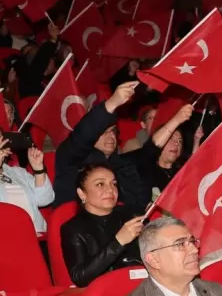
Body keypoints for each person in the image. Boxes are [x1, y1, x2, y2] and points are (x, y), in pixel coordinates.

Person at [52, 81, 149, 211]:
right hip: (79, 226)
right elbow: (83, 135)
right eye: (103, 132)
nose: (110, 136)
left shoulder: (123, 165)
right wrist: (112, 103)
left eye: (113, 131)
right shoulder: (73, 159)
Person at [61, 165, 145, 286]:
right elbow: (80, 277)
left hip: (142, 283)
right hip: (108, 290)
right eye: (100, 184)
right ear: (82, 194)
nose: (111, 189)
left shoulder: (132, 214)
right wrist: (118, 242)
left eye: (114, 184)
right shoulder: (73, 229)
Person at [0, 133, 54, 232]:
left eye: (0, 138)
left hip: (37, 235)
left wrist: (39, 169)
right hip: (3, 238)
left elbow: (45, 199)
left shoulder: (17, 172)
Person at [138, 104, 202, 197]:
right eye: (171, 139)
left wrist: (197, 140)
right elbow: (151, 146)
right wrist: (177, 119)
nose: (176, 144)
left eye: (180, 141)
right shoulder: (147, 168)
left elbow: (193, 166)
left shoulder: (181, 171)